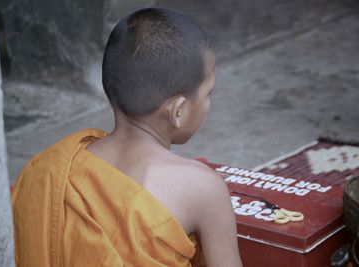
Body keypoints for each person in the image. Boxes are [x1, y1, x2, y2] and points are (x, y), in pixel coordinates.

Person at [12, 7, 242, 267]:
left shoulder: (51, 168)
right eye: (208, 93)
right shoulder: (204, 188)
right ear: (178, 111)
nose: (209, 102)